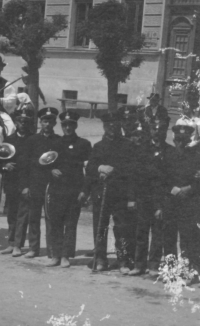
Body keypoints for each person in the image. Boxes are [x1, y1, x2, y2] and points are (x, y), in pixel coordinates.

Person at [84, 111, 137, 273]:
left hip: (120, 193)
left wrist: (114, 170)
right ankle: (100, 259)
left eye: (115, 125)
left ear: (119, 126)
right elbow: (90, 168)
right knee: (100, 227)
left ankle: (123, 261)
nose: (112, 128)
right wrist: (100, 168)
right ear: (104, 127)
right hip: (101, 193)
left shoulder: (128, 146)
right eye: (108, 126)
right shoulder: (98, 146)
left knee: (121, 228)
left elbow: (132, 170)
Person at [44, 111, 92, 267]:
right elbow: (45, 164)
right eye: (64, 125)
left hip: (74, 190)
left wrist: (84, 190)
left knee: (70, 224)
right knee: (55, 223)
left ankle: (66, 256)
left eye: (71, 125)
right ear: (61, 126)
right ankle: (56, 255)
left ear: (76, 126)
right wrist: (51, 171)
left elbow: (89, 170)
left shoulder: (84, 144)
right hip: (57, 189)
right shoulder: (55, 143)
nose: (68, 128)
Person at [131, 113, 172, 275]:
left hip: (160, 199)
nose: (157, 132)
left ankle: (154, 265)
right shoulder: (142, 150)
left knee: (157, 234)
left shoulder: (170, 151)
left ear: (165, 130)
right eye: (154, 128)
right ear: (150, 130)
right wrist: (133, 198)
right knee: (141, 232)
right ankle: (139, 265)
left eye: (161, 129)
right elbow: (135, 176)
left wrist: (162, 204)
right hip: (143, 197)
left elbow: (169, 180)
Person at [19, 107, 60, 259]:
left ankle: (51, 250)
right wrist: (25, 186)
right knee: (33, 217)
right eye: (44, 121)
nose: (47, 124)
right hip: (35, 183)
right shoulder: (32, 140)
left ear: (55, 123)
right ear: (40, 123)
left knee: (51, 218)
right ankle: (33, 248)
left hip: (52, 185)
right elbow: (25, 165)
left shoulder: (59, 141)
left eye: (50, 121)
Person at [0, 95, 36, 256]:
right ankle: (11, 243)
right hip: (11, 182)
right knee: (11, 214)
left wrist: (29, 185)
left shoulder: (34, 140)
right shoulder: (9, 139)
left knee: (23, 215)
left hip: (26, 183)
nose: (23, 124)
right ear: (16, 122)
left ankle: (18, 246)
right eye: (20, 121)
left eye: (26, 122)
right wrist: (5, 165)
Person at [162, 123, 200, 280]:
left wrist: (188, 189)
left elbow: (198, 181)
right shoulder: (167, 155)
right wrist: (173, 190)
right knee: (169, 237)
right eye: (178, 139)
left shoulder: (196, 157)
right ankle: (170, 271)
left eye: (184, 140)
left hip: (188, 202)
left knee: (187, 238)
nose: (180, 143)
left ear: (188, 140)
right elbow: (162, 178)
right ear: (174, 139)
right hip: (171, 201)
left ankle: (187, 270)